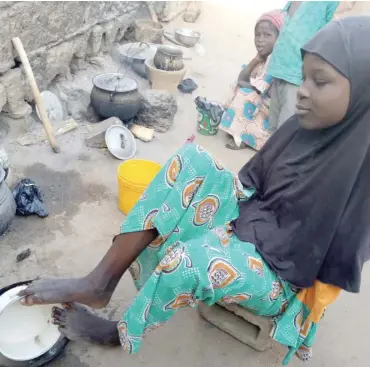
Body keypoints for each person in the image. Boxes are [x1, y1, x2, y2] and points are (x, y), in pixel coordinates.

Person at [19, 16, 370, 365]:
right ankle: (100, 282)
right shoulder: (302, 127)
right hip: (259, 220)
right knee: (192, 159)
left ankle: (120, 332)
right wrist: (213, 203)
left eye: (320, 81)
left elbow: (332, 266)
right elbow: (256, 184)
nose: (303, 89)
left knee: (189, 263)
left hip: (285, 278)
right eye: (305, 76)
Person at [267, 1, 339, 130]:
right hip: (278, 70)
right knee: (273, 128)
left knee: (285, 130)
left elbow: (332, 37)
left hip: (298, 76)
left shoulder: (330, 3)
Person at [220, 10, 285, 151]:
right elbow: (241, 78)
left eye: (267, 35)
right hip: (260, 103)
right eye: (258, 35)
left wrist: (245, 86)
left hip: (270, 110)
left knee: (245, 94)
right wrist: (256, 60)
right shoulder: (263, 58)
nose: (260, 39)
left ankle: (245, 137)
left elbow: (259, 90)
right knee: (237, 87)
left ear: (279, 38)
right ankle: (238, 129)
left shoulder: (276, 62)